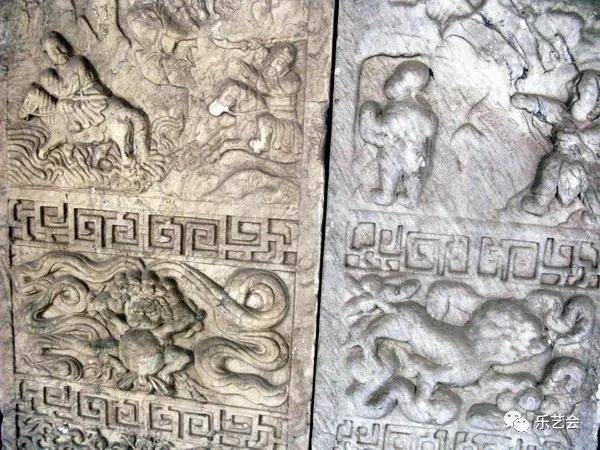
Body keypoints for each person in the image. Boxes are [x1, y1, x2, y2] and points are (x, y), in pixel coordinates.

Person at [513, 70, 600, 218]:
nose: (577, 100)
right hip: (561, 161)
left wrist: (580, 137)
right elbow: (545, 107)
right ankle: (540, 202)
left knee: (593, 186)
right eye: (577, 94)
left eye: (583, 98)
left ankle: (596, 214)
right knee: (550, 164)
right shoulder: (563, 115)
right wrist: (526, 101)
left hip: (587, 168)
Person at [358, 60, 438, 207]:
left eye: (396, 77)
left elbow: (381, 128)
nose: (391, 80)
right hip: (416, 158)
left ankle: (387, 195)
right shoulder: (427, 114)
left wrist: (368, 114)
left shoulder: (397, 110)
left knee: (389, 168)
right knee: (415, 176)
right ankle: (412, 199)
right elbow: (429, 130)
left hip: (395, 154)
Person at [38, 31, 110, 132]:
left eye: (60, 46)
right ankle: (76, 125)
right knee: (62, 105)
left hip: (89, 93)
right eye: (53, 51)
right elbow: (61, 90)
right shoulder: (56, 73)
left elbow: (79, 83)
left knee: (64, 104)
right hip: (76, 97)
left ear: (65, 43)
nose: (59, 51)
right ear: (48, 55)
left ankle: (85, 123)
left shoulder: (77, 61)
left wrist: (68, 92)